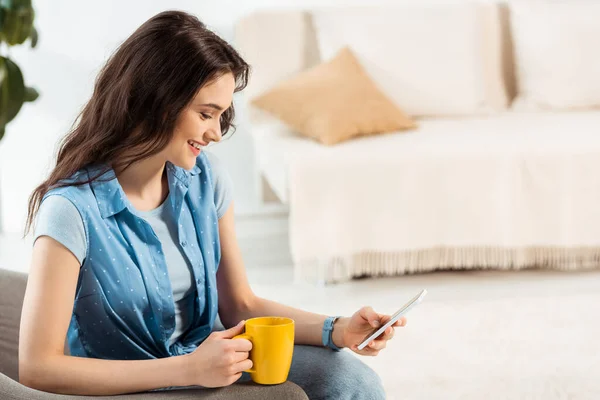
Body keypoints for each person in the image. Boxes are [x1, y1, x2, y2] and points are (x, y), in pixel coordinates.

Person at [18, 10, 405, 399]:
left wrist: (339, 328)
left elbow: (239, 303)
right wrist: (188, 368)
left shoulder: (206, 180)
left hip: (207, 364)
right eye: (206, 114)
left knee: (353, 382)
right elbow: (38, 367)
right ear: (156, 100)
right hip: (130, 386)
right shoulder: (72, 209)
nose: (217, 133)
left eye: (222, 116)